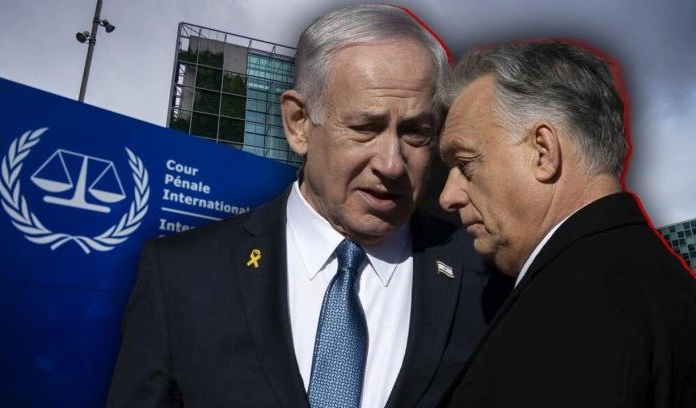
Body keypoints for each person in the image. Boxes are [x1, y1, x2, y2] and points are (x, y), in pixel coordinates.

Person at [106, 4, 499, 407]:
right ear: (298, 123)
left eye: (416, 132)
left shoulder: (487, 277)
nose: (391, 164)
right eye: (365, 128)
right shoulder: (182, 274)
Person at [436, 40, 696, 407]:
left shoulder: (572, 310)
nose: (448, 197)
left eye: (465, 164)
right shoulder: (660, 286)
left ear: (543, 152)